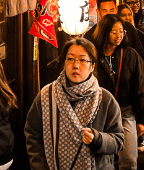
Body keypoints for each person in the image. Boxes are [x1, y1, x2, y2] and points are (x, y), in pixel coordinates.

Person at [24, 38, 124, 170]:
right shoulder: (46, 95)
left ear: (92, 66)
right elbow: (32, 134)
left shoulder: (104, 99)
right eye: (70, 59)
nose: (75, 65)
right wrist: (39, 165)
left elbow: (118, 141)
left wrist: (97, 139)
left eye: (83, 60)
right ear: (64, 63)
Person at [93, 14, 144, 170]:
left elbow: (140, 85)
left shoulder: (129, 54)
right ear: (104, 32)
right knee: (102, 161)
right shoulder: (93, 55)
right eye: (114, 32)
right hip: (100, 113)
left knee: (130, 159)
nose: (119, 35)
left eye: (121, 31)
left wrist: (141, 119)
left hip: (125, 112)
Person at [118, 2, 144, 149]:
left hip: (142, 75)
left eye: (129, 14)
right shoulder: (115, 39)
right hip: (125, 81)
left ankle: (142, 133)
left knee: (142, 101)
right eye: (123, 15)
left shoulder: (141, 36)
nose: (127, 17)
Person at [86, 0, 144, 76]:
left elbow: (140, 54)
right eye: (105, 11)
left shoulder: (128, 28)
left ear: (116, 10)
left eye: (111, 10)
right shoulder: (91, 34)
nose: (109, 14)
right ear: (98, 12)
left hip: (128, 79)